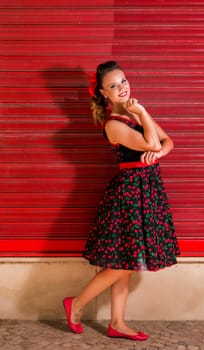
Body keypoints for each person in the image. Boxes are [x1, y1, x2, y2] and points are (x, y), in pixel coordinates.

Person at [63, 60, 180, 341]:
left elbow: (167, 142)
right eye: (114, 85)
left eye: (124, 81)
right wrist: (142, 113)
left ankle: (117, 322)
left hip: (147, 190)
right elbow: (152, 142)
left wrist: (158, 154)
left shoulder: (135, 114)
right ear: (104, 93)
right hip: (128, 194)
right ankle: (76, 304)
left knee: (126, 259)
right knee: (122, 262)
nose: (122, 87)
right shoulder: (113, 124)